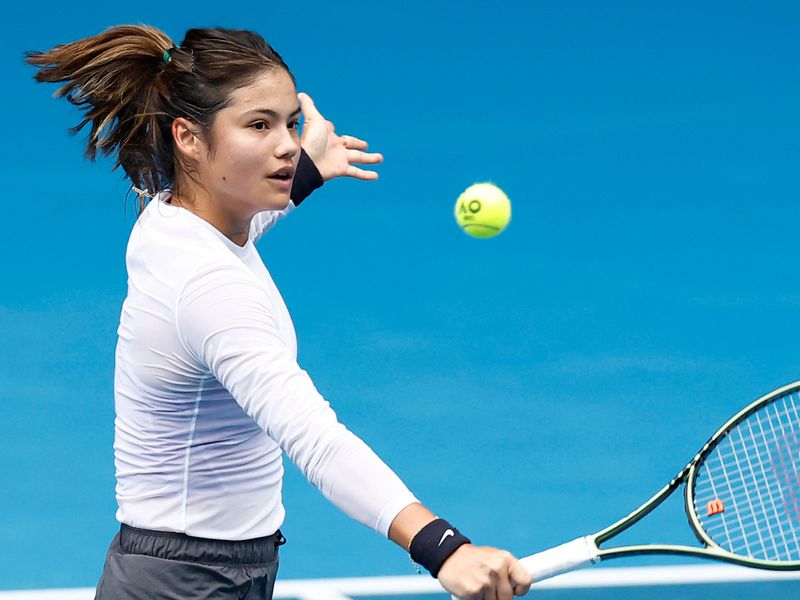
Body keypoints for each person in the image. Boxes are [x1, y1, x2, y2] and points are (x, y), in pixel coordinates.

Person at [26, 25, 532, 600]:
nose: (288, 144)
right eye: (259, 125)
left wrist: (308, 173)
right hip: (184, 586)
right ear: (189, 137)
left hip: (202, 571)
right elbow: (314, 438)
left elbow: (242, 224)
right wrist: (443, 547)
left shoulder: (170, 224)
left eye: (291, 123)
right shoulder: (209, 287)